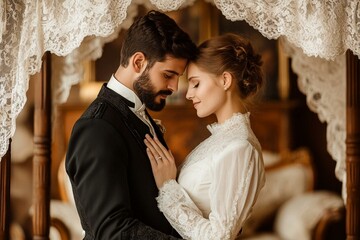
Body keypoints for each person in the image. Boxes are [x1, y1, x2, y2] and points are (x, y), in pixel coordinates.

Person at [65, 10, 197, 239]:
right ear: (138, 62)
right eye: (168, 75)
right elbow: (112, 230)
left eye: (178, 77)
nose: (175, 87)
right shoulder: (97, 128)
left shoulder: (135, 113)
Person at [144, 33, 266, 240]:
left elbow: (218, 236)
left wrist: (167, 187)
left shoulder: (239, 147)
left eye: (196, 83)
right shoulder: (221, 140)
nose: (188, 94)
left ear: (225, 80)